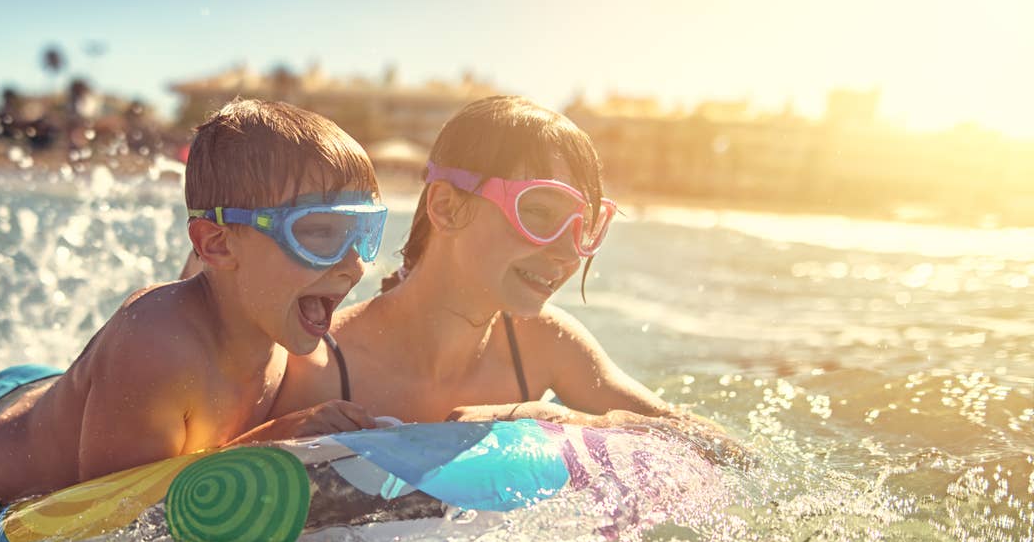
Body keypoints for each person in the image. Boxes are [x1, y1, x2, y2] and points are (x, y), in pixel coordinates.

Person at [0, 99, 386, 521]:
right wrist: (278, 439)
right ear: (217, 245)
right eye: (319, 233)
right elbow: (110, 518)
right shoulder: (156, 344)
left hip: (62, 398)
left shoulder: (271, 313)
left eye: (365, 234)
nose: (352, 265)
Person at [272, 95, 743, 458]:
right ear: (446, 207)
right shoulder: (315, 365)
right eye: (538, 212)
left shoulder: (544, 345)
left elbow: (723, 450)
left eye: (586, 226)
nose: (566, 252)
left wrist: (551, 419)